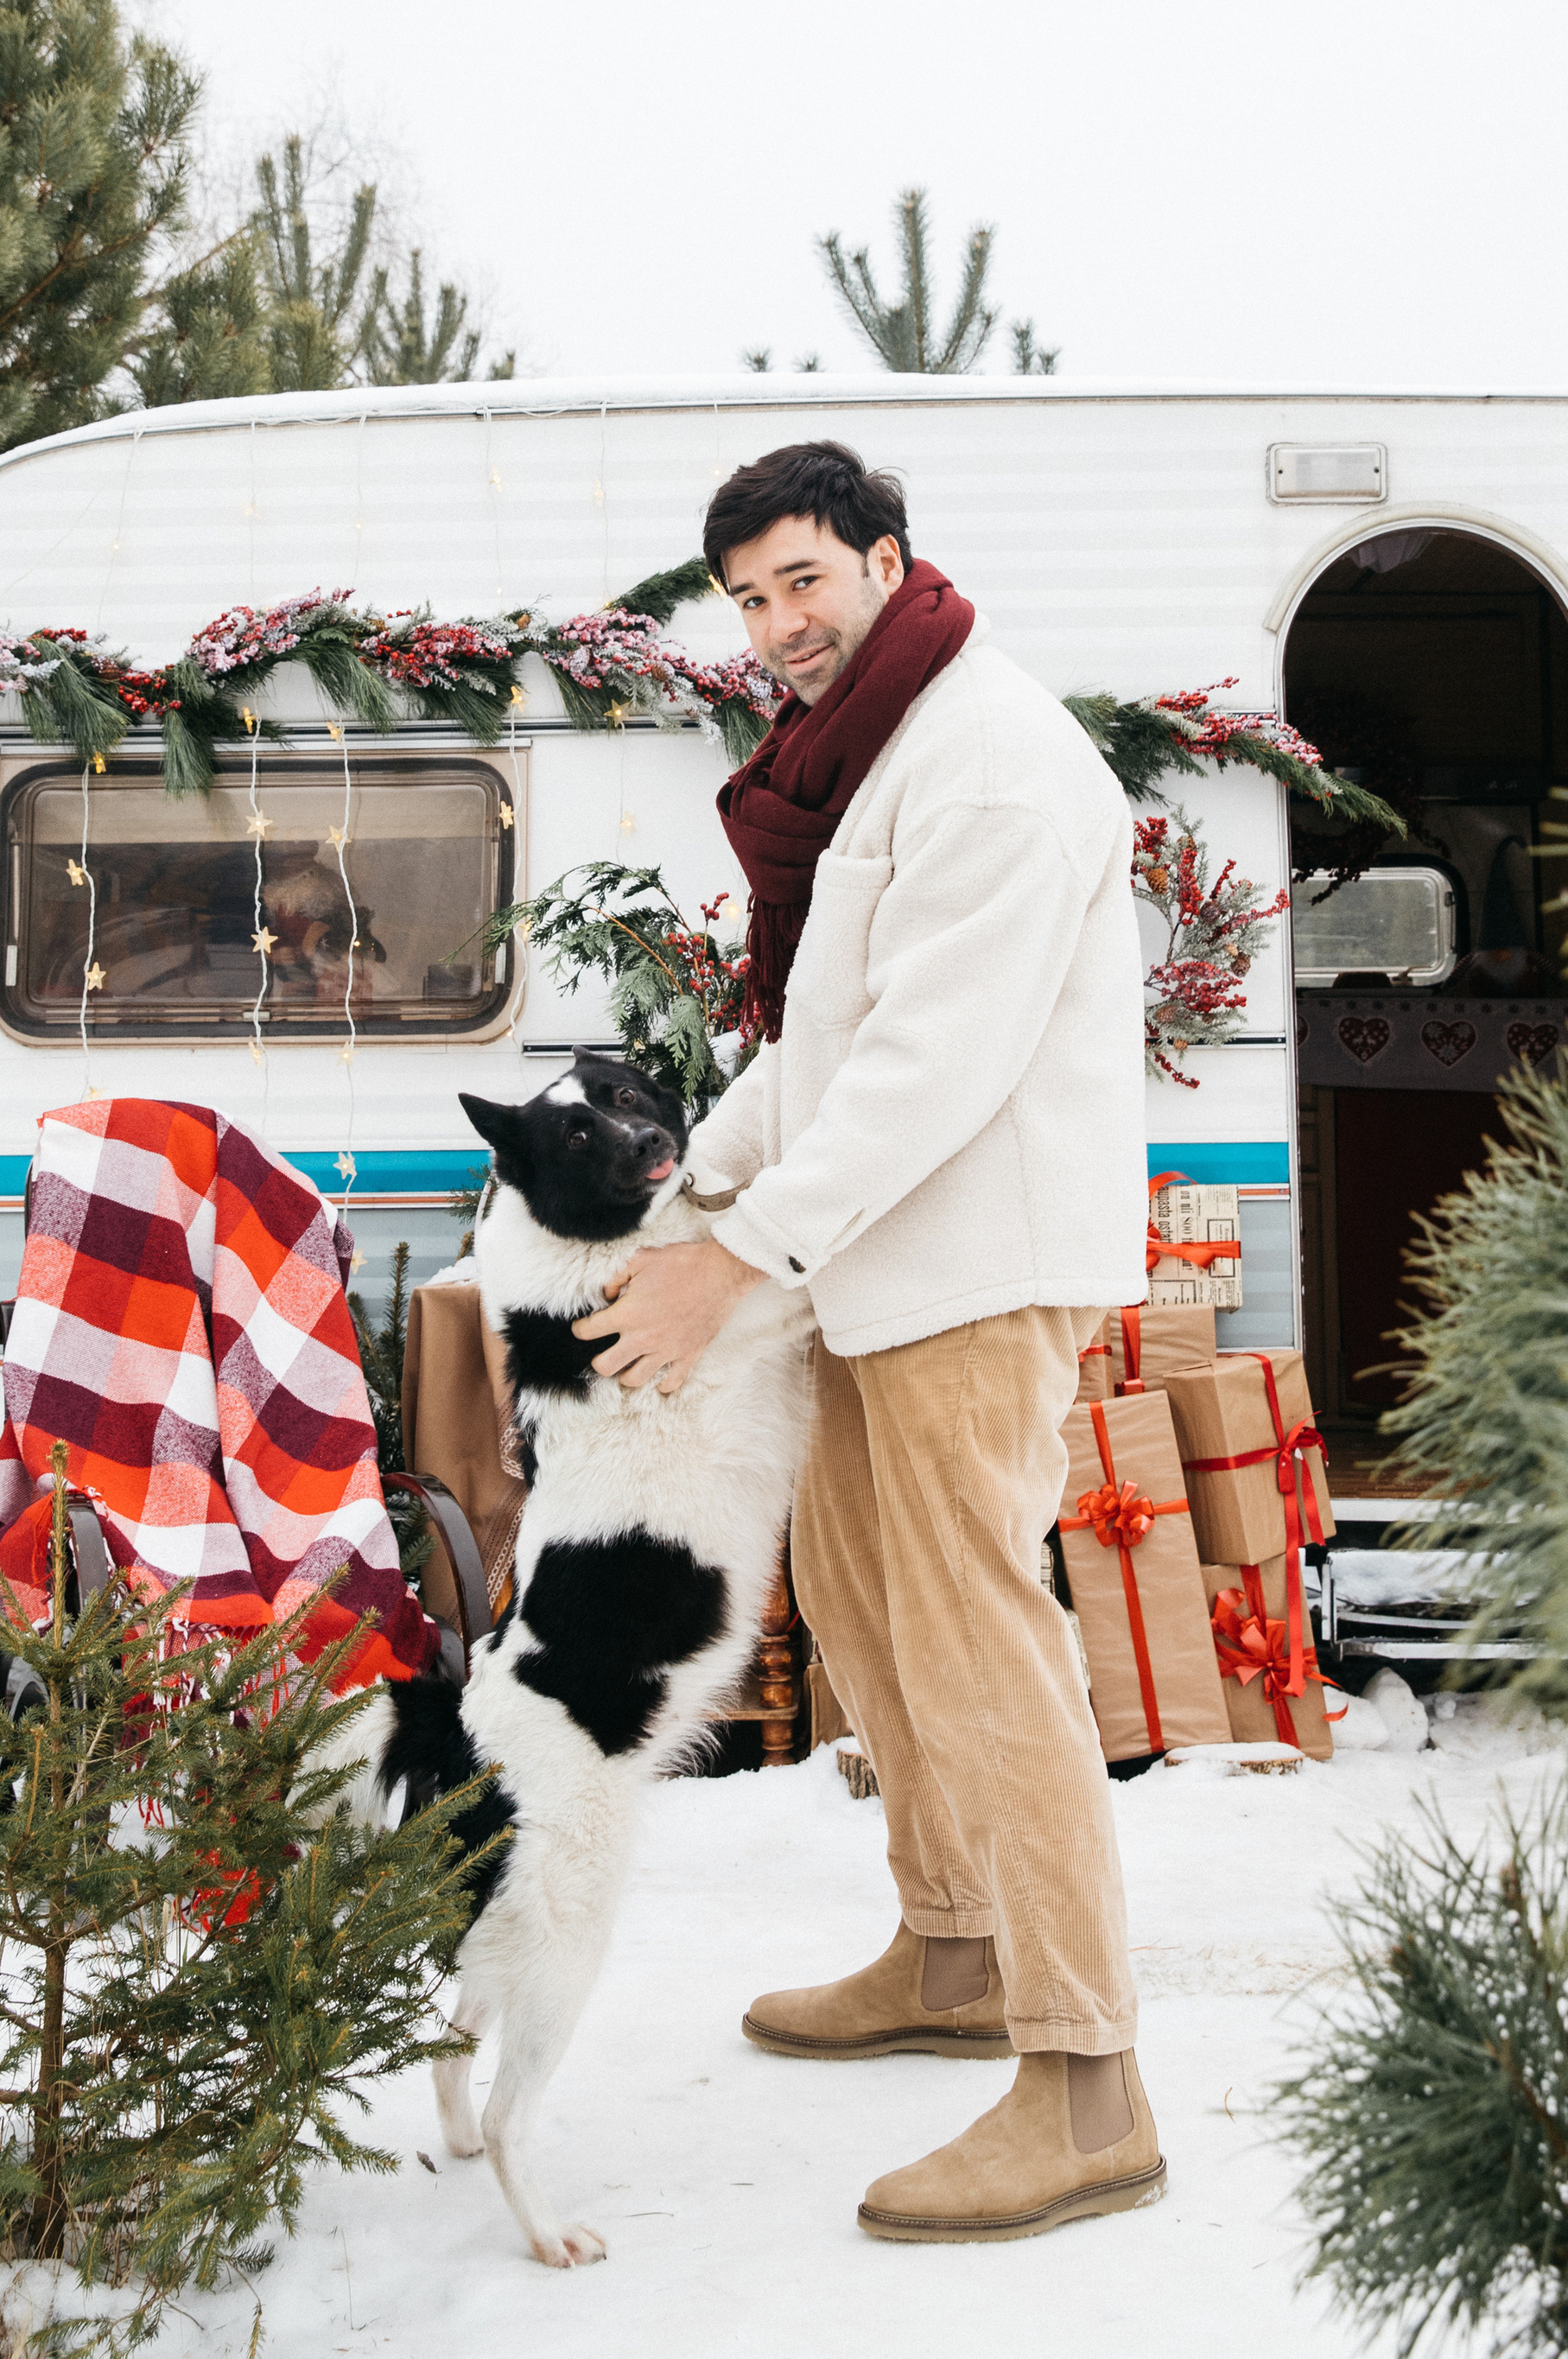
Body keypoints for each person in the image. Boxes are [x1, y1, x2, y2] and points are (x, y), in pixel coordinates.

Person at [573, 436, 1158, 2243]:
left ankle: (1086, 2088)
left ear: (886, 561)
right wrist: (690, 1196)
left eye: (801, 581)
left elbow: (929, 1067)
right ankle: (954, 1945)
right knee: (869, 1605)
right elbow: (824, 1048)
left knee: (980, 1638)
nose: (775, 625)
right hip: (874, 1264)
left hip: (970, 1265)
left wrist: (734, 1259)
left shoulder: (985, 761)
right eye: (747, 599)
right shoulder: (883, 754)